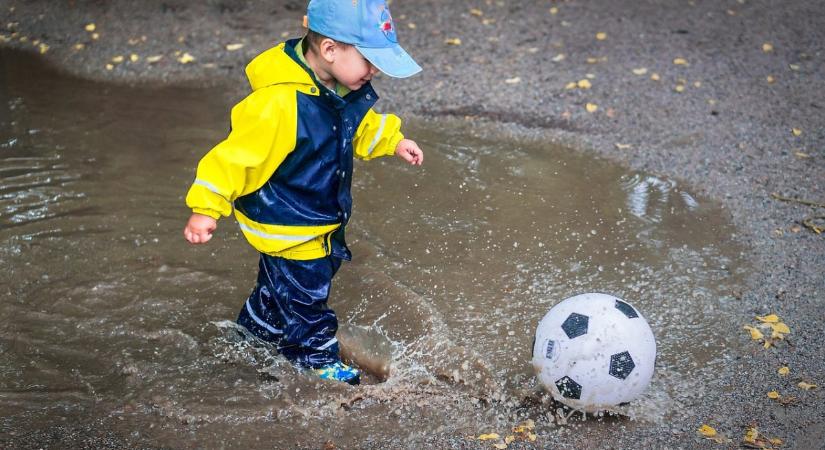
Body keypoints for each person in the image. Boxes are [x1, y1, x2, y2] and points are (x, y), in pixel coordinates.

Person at [182, 0, 423, 385]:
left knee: (279, 287)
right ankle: (312, 360)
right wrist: (206, 209)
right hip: (291, 223)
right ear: (329, 49)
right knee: (309, 300)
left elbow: (357, 127)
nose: (375, 70)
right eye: (369, 60)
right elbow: (233, 158)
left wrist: (392, 141)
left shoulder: (336, 88)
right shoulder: (278, 103)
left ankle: (253, 333)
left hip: (311, 217)